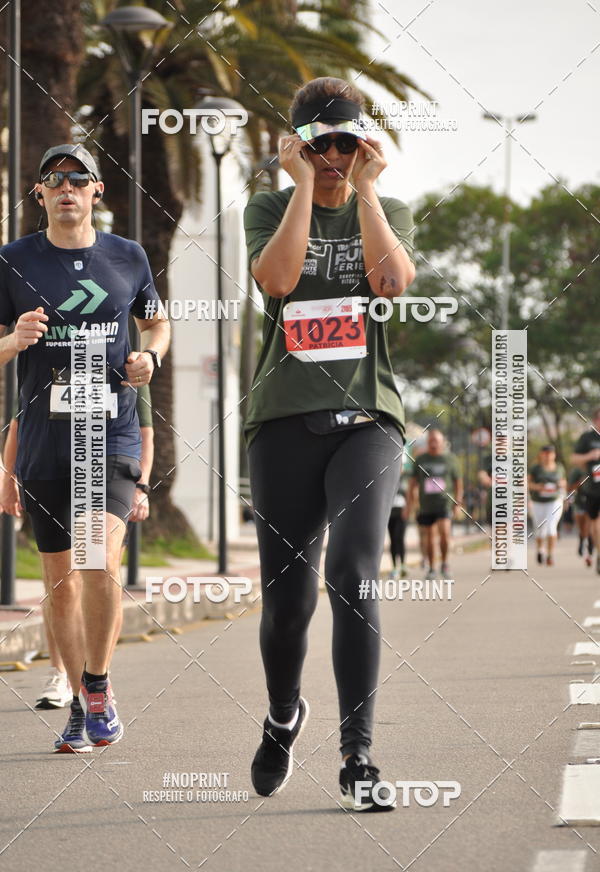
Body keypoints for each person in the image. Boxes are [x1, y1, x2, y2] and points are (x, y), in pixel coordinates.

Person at [243, 77, 416, 810]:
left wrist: (370, 195)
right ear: (299, 148)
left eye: (347, 143)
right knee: (287, 607)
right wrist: (298, 192)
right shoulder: (268, 209)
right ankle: (283, 714)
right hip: (282, 420)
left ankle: (359, 755)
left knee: (351, 572)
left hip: (368, 420)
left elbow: (392, 285)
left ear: (364, 145)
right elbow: (278, 281)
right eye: (320, 145)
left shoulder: (389, 208)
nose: (334, 158)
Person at [0, 144, 170, 751]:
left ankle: (97, 687)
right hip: (46, 439)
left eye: (79, 179)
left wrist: (150, 354)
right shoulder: (12, 260)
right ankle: (78, 699)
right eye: (54, 180)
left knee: (98, 559)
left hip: (112, 432)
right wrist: (13, 341)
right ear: (40, 194)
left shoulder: (127, 256)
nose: (66, 188)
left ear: (98, 191)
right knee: (60, 582)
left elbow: (156, 320)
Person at [0, 386, 155, 712]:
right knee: (61, 582)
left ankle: (99, 675)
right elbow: (19, 421)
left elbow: (145, 432)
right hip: (50, 467)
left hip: (110, 469)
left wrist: (140, 487)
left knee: (101, 569)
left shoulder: (122, 355)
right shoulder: (47, 353)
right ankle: (61, 673)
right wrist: (9, 477)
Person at [406, 429, 462, 579]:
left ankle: (444, 563)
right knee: (430, 537)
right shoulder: (421, 459)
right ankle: (432, 568)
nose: (433, 444)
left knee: (444, 533)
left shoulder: (450, 459)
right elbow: (412, 483)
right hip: (426, 505)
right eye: (430, 441)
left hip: (444, 503)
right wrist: (410, 505)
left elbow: (458, 482)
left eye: (436, 441)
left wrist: (458, 504)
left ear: (442, 442)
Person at [572, 409, 600, 574]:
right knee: (595, 524)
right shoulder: (587, 438)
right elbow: (574, 459)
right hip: (593, 489)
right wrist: (589, 456)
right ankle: (598, 555)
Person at [528, 445, 566, 566]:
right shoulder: (535, 468)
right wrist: (537, 487)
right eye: (545, 453)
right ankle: (540, 549)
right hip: (538, 502)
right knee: (540, 530)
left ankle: (550, 555)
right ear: (541, 454)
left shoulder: (559, 468)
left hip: (554, 501)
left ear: (554, 455)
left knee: (551, 526)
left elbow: (564, 482)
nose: (548, 456)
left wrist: (561, 484)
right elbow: (526, 483)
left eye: (550, 453)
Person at [388, 457, 410, 578]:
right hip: (390, 513)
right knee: (392, 540)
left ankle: (402, 565)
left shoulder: (405, 479)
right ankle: (394, 567)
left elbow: (410, 495)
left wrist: (408, 510)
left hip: (401, 512)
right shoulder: (388, 477)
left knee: (399, 538)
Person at [567, 465, 593, 566]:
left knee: (589, 527)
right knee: (582, 529)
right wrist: (580, 482)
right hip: (579, 503)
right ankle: (582, 540)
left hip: (593, 502)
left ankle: (588, 553)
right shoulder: (577, 471)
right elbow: (569, 488)